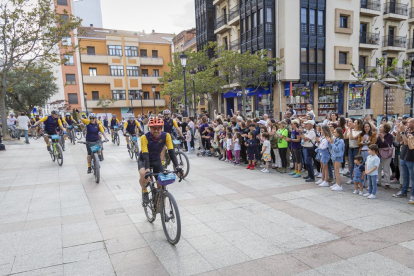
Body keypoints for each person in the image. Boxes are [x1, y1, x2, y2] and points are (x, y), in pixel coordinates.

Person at [138, 117, 183, 204]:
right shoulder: (144, 137)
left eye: (158, 128)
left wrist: (177, 167)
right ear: (150, 128)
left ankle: (162, 209)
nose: (156, 130)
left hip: (156, 160)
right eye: (153, 128)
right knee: (143, 174)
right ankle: (145, 191)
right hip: (144, 159)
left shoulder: (166, 136)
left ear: (161, 128)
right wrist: (147, 170)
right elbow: (145, 155)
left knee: (162, 185)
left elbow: (171, 152)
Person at [376, 123, 394, 189]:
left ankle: (387, 183)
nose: (379, 128)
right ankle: (378, 181)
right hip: (379, 153)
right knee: (378, 168)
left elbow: (388, 145)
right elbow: (377, 145)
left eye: (381, 127)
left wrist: (382, 139)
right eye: (379, 127)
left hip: (386, 154)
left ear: (385, 128)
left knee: (386, 168)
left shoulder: (390, 136)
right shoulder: (378, 135)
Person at [347, 119, 363, 184]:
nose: (353, 123)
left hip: (356, 148)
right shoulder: (352, 130)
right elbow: (346, 136)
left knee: (357, 164)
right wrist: (348, 129)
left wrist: (350, 130)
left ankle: (357, 178)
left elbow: (352, 137)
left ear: (359, 124)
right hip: (350, 148)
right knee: (351, 164)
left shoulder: (360, 132)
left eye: (355, 122)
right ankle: (351, 178)